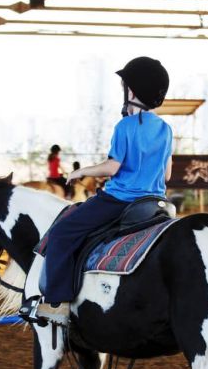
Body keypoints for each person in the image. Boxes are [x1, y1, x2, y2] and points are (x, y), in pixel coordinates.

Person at [36, 56, 173, 323]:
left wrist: (80, 172)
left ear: (131, 90)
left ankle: (56, 304)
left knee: (62, 233)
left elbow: (112, 168)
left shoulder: (125, 126)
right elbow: (166, 174)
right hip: (155, 202)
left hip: (120, 200)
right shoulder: (166, 129)